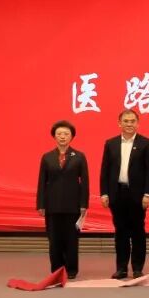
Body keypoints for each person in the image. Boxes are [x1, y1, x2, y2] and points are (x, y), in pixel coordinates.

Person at [100, 109, 149, 279]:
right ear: (119, 123)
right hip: (117, 193)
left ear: (137, 124)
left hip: (138, 195)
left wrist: (148, 194)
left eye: (132, 121)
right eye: (126, 121)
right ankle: (121, 268)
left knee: (138, 231)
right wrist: (104, 193)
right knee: (121, 232)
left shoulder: (146, 143)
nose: (129, 124)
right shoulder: (111, 143)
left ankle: (137, 268)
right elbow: (105, 170)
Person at [36, 120, 89, 280]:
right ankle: (57, 269)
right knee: (54, 239)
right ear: (54, 136)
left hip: (73, 205)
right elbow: (41, 182)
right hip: (52, 205)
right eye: (59, 134)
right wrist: (41, 204)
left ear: (71, 136)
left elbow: (85, 182)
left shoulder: (79, 156)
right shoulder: (47, 157)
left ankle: (71, 269)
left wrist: (84, 204)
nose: (62, 136)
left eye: (66, 134)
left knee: (71, 239)